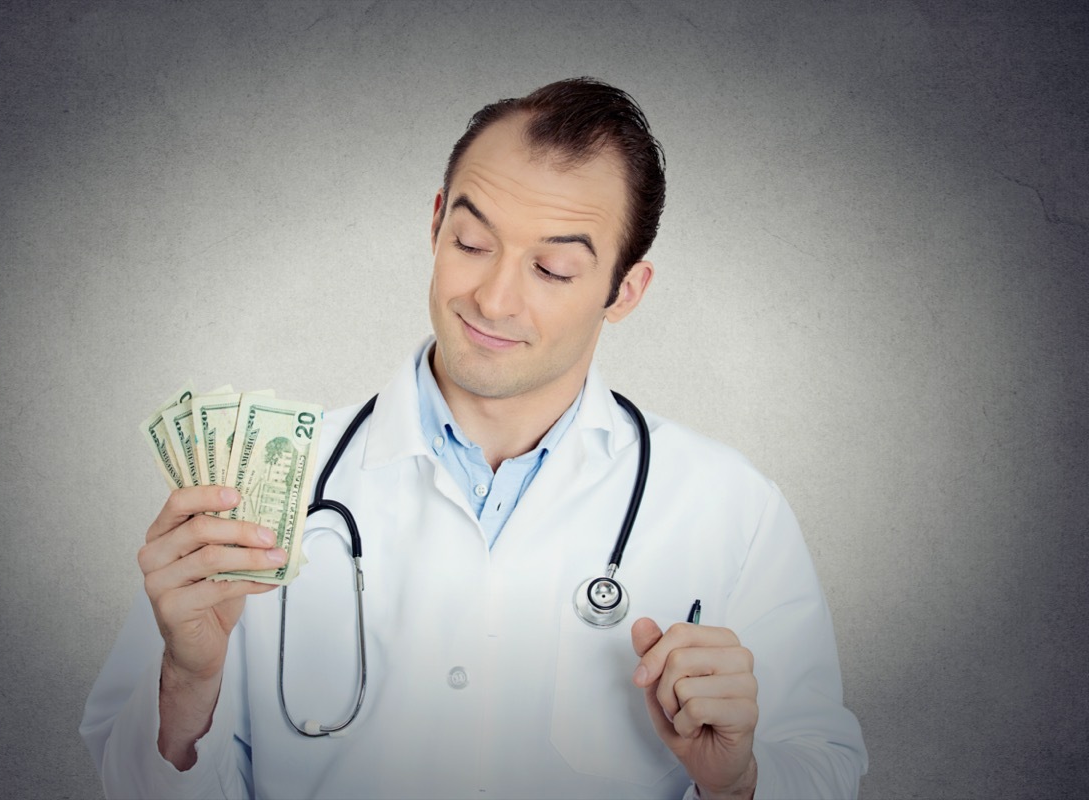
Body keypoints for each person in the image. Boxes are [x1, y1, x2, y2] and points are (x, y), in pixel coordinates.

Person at [81, 77, 868, 799]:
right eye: (471, 243)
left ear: (624, 291)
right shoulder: (252, 487)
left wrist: (740, 781)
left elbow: (825, 767)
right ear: (434, 224)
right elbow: (128, 782)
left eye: (553, 269)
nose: (493, 297)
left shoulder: (731, 508)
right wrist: (188, 681)